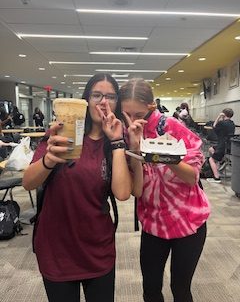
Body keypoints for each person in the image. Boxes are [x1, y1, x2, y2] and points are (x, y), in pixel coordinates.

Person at [22, 73, 134, 302]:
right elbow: (28, 183)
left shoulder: (115, 143)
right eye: (97, 95)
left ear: (117, 103)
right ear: (86, 100)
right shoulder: (62, 132)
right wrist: (48, 160)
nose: (103, 102)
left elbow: (122, 194)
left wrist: (117, 142)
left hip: (97, 249)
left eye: (111, 97)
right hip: (57, 249)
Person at [120, 78, 210, 302]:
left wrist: (159, 154)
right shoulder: (125, 133)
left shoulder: (171, 126)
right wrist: (134, 147)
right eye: (126, 114)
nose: (132, 121)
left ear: (151, 106)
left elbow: (191, 177)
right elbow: (137, 191)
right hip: (153, 223)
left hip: (188, 221)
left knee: (180, 289)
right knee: (150, 290)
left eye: (138, 114)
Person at [206, 108, 235, 183]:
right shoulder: (232, 123)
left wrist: (219, 117)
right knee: (211, 149)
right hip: (229, 146)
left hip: (222, 146)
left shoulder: (222, 123)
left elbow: (214, 126)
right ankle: (217, 164)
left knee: (211, 159)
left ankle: (216, 177)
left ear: (223, 114)